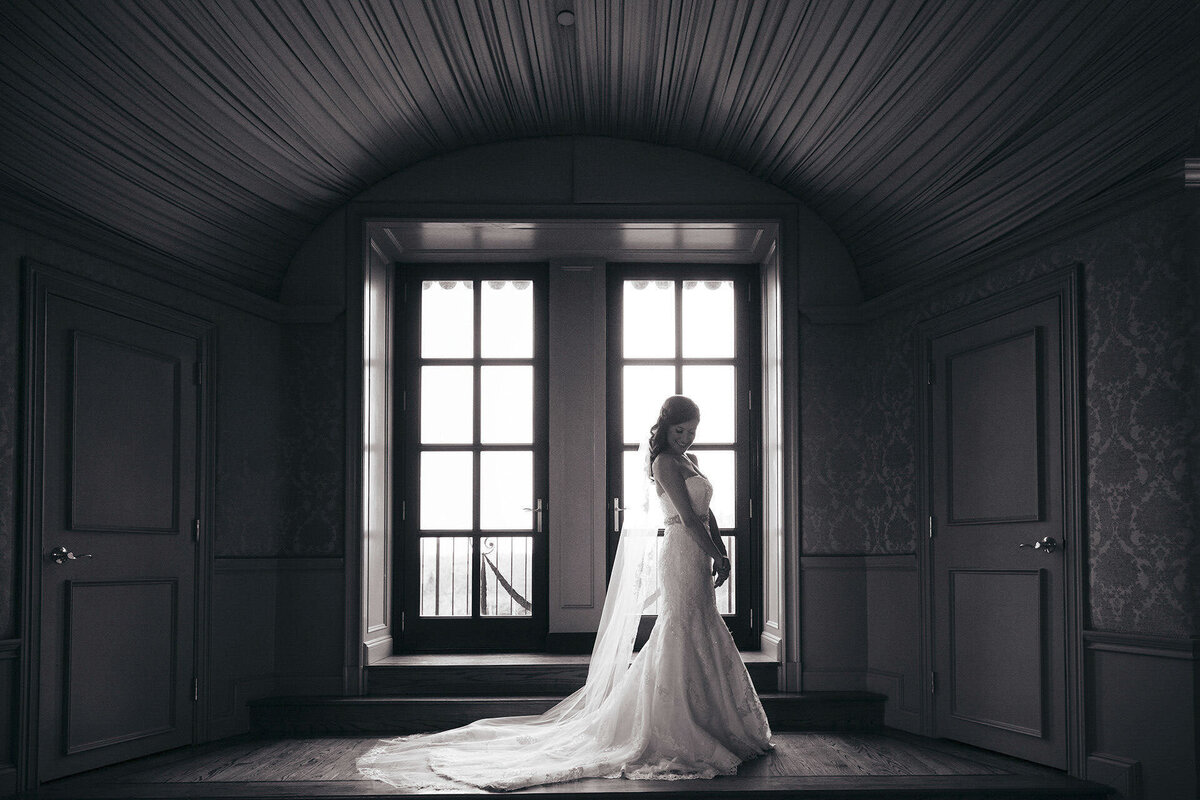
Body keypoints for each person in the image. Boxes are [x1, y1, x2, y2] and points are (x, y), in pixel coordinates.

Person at [357, 395, 772, 791]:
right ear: (666, 428)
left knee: (702, 624)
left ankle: (715, 719)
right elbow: (686, 516)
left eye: (692, 431)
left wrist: (720, 550)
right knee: (681, 625)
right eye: (680, 431)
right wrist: (717, 554)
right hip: (682, 550)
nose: (687, 439)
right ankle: (675, 722)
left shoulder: (689, 460)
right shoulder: (663, 462)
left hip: (699, 551)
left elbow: (707, 512)